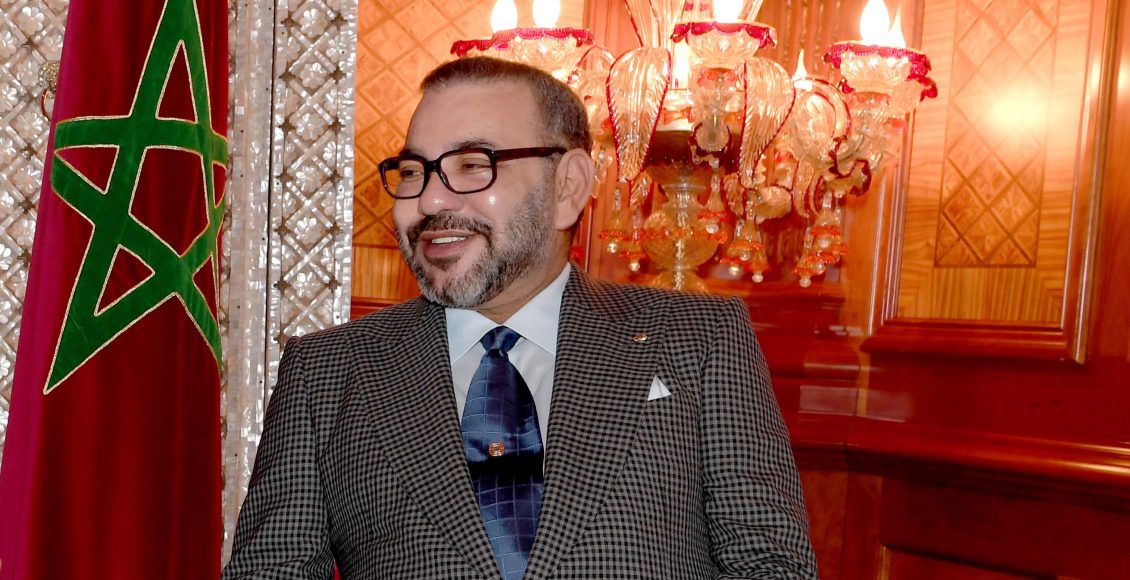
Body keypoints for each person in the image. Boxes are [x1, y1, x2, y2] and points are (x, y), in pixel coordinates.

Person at [222, 56, 817, 579]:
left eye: (472, 164)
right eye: (413, 171)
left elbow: (771, 567)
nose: (429, 200)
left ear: (568, 187)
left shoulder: (699, 341)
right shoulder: (328, 372)